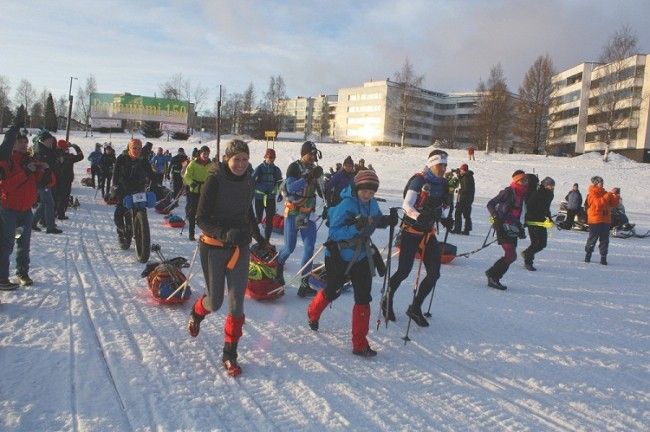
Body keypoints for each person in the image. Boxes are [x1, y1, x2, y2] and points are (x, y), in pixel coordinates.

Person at [187, 139, 268, 377]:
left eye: (245, 159)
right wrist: (223, 233)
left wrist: (260, 239)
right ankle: (197, 312)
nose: (241, 164)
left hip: (240, 247)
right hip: (213, 247)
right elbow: (200, 218)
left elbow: (248, 213)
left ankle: (229, 354)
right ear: (227, 159)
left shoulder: (249, 182)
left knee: (236, 303)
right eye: (237, 159)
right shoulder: (214, 180)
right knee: (215, 302)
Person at [307, 170, 397, 357]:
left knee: (363, 298)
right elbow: (335, 232)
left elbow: (374, 220)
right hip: (338, 255)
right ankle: (313, 312)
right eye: (365, 191)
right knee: (333, 291)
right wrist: (354, 227)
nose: (368, 195)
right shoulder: (347, 204)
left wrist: (386, 221)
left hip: (362, 256)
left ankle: (360, 344)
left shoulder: (372, 204)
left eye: (372, 192)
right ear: (357, 188)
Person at [381, 150, 453, 327]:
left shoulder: (443, 183)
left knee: (434, 274)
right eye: (440, 165)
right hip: (411, 231)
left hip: (429, 233)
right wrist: (417, 216)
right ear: (431, 164)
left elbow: (442, 205)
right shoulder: (419, 180)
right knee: (404, 271)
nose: (443, 168)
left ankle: (415, 307)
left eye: (445, 165)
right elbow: (407, 204)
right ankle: (387, 300)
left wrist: (444, 218)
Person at [275, 141, 324, 297]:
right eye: (310, 154)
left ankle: (304, 284)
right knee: (289, 247)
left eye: (314, 154)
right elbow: (290, 188)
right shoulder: (294, 167)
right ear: (303, 154)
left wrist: (330, 205)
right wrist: (307, 178)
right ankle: (278, 268)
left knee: (309, 248)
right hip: (294, 212)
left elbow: (322, 191)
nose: (313, 157)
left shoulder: (315, 170)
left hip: (308, 214)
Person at [0, 129, 47, 288]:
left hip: (26, 210)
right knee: (6, 245)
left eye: (25, 142)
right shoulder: (6, 161)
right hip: (8, 209)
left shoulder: (30, 159)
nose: (23, 144)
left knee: (24, 245)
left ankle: (22, 273)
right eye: (19, 142)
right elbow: (6, 187)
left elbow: (43, 182)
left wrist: (42, 170)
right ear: (12, 144)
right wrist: (27, 171)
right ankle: (2, 278)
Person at [485, 170, 529, 290]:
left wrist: (520, 228)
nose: (525, 182)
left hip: (513, 228)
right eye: (523, 180)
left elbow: (520, 213)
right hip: (502, 226)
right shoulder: (508, 192)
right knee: (510, 254)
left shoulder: (523, 194)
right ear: (516, 180)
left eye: (526, 180)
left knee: (512, 256)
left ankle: (492, 274)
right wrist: (495, 218)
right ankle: (493, 276)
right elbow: (490, 204)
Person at [111, 138, 156, 248]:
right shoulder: (122, 158)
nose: (137, 150)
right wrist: (115, 186)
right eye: (134, 148)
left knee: (141, 209)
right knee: (120, 211)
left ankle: (141, 231)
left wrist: (156, 185)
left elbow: (151, 175)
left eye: (139, 148)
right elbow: (115, 174)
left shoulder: (143, 160)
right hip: (123, 189)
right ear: (129, 148)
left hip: (138, 189)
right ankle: (121, 232)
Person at [31, 129, 62, 234]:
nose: (51, 141)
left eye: (51, 139)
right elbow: (40, 165)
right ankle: (50, 227)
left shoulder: (48, 149)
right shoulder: (41, 150)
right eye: (49, 139)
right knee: (49, 203)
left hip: (46, 180)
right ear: (43, 140)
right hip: (42, 182)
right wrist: (47, 165)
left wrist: (53, 163)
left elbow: (51, 163)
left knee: (45, 203)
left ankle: (33, 223)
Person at [584, 176, 619, 265]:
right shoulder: (591, 193)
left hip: (606, 220)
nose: (602, 184)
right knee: (592, 239)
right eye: (600, 182)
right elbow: (598, 203)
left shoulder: (605, 193)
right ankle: (588, 256)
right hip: (595, 220)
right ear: (595, 183)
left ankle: (603, 257)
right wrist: (610, 193)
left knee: (605, 240)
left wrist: (616, 195)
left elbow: (613, 204)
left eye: (602, 182)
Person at [522, 177, 555, 271]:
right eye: (550, 185)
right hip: (533, 221)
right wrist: (529, 219)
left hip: (541, 222)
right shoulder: (537, 193)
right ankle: (528, 261)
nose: (552, 187)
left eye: (553, 186)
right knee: (535, 243)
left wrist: (549, 218)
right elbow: (529, 206)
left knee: (542, 244)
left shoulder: (550, 195)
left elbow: (546, 208)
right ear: (544, 185)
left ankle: (526, 253)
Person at [252, 148, 283, 242]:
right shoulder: (259, 168)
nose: (271, 159)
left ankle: (266, 240)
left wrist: (280, 193)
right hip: (259, 197)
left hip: (270, 197)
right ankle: (252, 234)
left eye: (273, 157)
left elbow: (280, 182)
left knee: (270, 219)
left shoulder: (276, 170)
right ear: (265, 157)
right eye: (270, 157)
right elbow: (252, 180)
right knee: (258, 219)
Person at [183, 145, 211, 241]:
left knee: (205, 212)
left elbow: (213, 176)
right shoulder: (193, 163)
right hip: (194, 190)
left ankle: (206, 232)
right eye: (204, 153)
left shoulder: (211, 164)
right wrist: (191, 183)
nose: (206, 155)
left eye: (207, 154)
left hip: (205, 191)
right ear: (200, 154)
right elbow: (186, 176)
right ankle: (191, 233)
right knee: (192, 212)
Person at [53, 140, 83, 220]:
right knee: (64, 197)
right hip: (66, 180)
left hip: (56, 179)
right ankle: (61, 214)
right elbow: (81, 156)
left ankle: (55, 213)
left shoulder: (54, 155)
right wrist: (74, 145)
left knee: (57, 197)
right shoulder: (69, 157)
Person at [451, 164, 475, 235]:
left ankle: (457, 229)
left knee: (458, 213)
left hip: (464, 198)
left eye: (461, 170)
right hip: (469, 198)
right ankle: (467, 230)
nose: (460, 171)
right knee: (467, 215)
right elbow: (462, 181)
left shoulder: (466, 177)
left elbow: (466, 189)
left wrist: (458, 191)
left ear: (463, 170)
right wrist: (458, 174)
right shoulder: (468, 176)